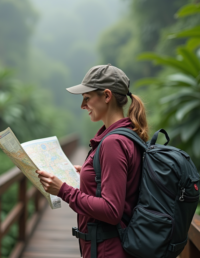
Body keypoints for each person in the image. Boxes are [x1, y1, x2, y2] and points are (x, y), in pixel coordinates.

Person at [36, 64, 149, 258]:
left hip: (109, 250)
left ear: (106, 96)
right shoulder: (126, 134)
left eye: (87, 98)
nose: (82, 106)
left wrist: (63, 190)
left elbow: (112, 210)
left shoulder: (113, 142)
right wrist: (90, 173)